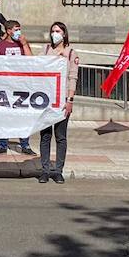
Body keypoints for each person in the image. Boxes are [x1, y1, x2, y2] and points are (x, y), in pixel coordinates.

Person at [37, 21, 78, 183]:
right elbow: (36, 67)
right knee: (45, 136)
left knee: (60, 136)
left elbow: (73, 77)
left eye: (58, 31)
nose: (55, 33)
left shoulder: (71, 52)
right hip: (46, 99)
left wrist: (70, 100)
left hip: (62, 100)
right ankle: (45, 170)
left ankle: (58, 170)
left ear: (64, 34)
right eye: (53, 30)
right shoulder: (46, 50)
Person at [0, 20, 36, 155]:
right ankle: (2, 144)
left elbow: (31, 60)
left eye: (19, 29)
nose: (19, 32)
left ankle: (25, 144)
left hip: (21, 85)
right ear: (9, 31)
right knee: (3, 115)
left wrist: (24, 44)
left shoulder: (22, 45)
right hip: (3, 86)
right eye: (16, 29)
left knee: (22, 116)